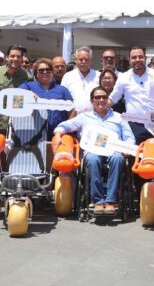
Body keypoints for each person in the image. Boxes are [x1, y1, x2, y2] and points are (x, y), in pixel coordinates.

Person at [53, 86, 135, 214]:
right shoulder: (84, 117)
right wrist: (58, 134)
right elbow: (65, 125)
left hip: (114, 150)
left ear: (108, 100)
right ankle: (98, 201)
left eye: (104, 97)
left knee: (118, 158)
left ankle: (111, 201)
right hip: (92, 150)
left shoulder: (118, 117)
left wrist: (127, 149)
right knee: (92, 159)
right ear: (92, 100)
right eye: (97, 97)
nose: (101, 100)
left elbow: (129, 137)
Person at [110, 46, 154, 143]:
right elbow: (113, 98)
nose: (137, 60)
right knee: (134, 152)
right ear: (129, 60)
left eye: (140, 57)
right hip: (133, 125)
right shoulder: (123, 77)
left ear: (145, 58)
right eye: (134, 57)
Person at [20, 59, 74, 138]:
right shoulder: (28, 86)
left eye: (48, 70)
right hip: (32, 134)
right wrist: (28, 94)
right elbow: (15, 96)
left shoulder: (62, 90)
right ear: (36, 74)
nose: (45, 72)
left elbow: (72, 110)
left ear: (52, 72)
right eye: (41, 70)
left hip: (57, 135)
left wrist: (66, 128)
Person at [0, 46, 29, 133]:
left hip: (16, 124)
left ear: (21, 59)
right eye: (12, 56)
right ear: (7, 57)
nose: (15, 59)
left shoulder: (27, 76)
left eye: (18, 57)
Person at [62, 46, 99, 114]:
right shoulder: (67, 76)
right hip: (73, 117)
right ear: (76, 60)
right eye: (81, 59)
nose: (83, 62)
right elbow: (62, 97)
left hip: (95, 117)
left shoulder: (98, 76)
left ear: (91, 60)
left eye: (86, 59)